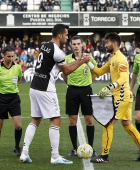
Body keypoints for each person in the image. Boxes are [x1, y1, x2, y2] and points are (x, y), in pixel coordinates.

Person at [19, 24, 90, 164]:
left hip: (34, 87)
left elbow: (62, 66)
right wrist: (82, 61)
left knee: (35, 119)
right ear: (60, 35)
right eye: (66, 34)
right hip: (46, 89)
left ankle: (24, 153)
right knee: (56, 119)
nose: (67, 37)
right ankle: (55, 156)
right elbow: (66, 71)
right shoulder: (58, 51)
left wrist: (79, 61)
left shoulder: (46, 45)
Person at [86, 32, 140, 163]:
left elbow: (123, 78)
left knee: (108, 123)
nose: (105, 45)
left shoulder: (120, 59)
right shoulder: (113, 58)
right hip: (124, 97)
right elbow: (98, 72)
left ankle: (104, 156)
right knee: (127, 125)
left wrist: (109, 87)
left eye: (107, 43)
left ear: (114, 43)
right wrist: (88, 62)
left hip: (121, 97)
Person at [62, 36, 97, 157]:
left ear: (82, 44)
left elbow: (95, 72)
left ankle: (91, 148)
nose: (76, 46)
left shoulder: (89, 58)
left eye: (78, 44)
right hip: (72, 91)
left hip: (86, 90)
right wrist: (70, 85)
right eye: (74, 44)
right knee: (72, 120)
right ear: (71, 45)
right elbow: (64, 75)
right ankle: (74, 148)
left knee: (89, 120)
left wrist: (88, 83)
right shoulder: (67, 59)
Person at [0, 45, 23, 156]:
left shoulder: (17, 67)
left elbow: (19, 78)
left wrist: (15, 87)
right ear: (3, 56)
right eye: (8, 56)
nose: (10, 58)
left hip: (14, 98)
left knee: (18, 125)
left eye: (12, 56)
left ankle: (17, 147)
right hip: (1, 98)